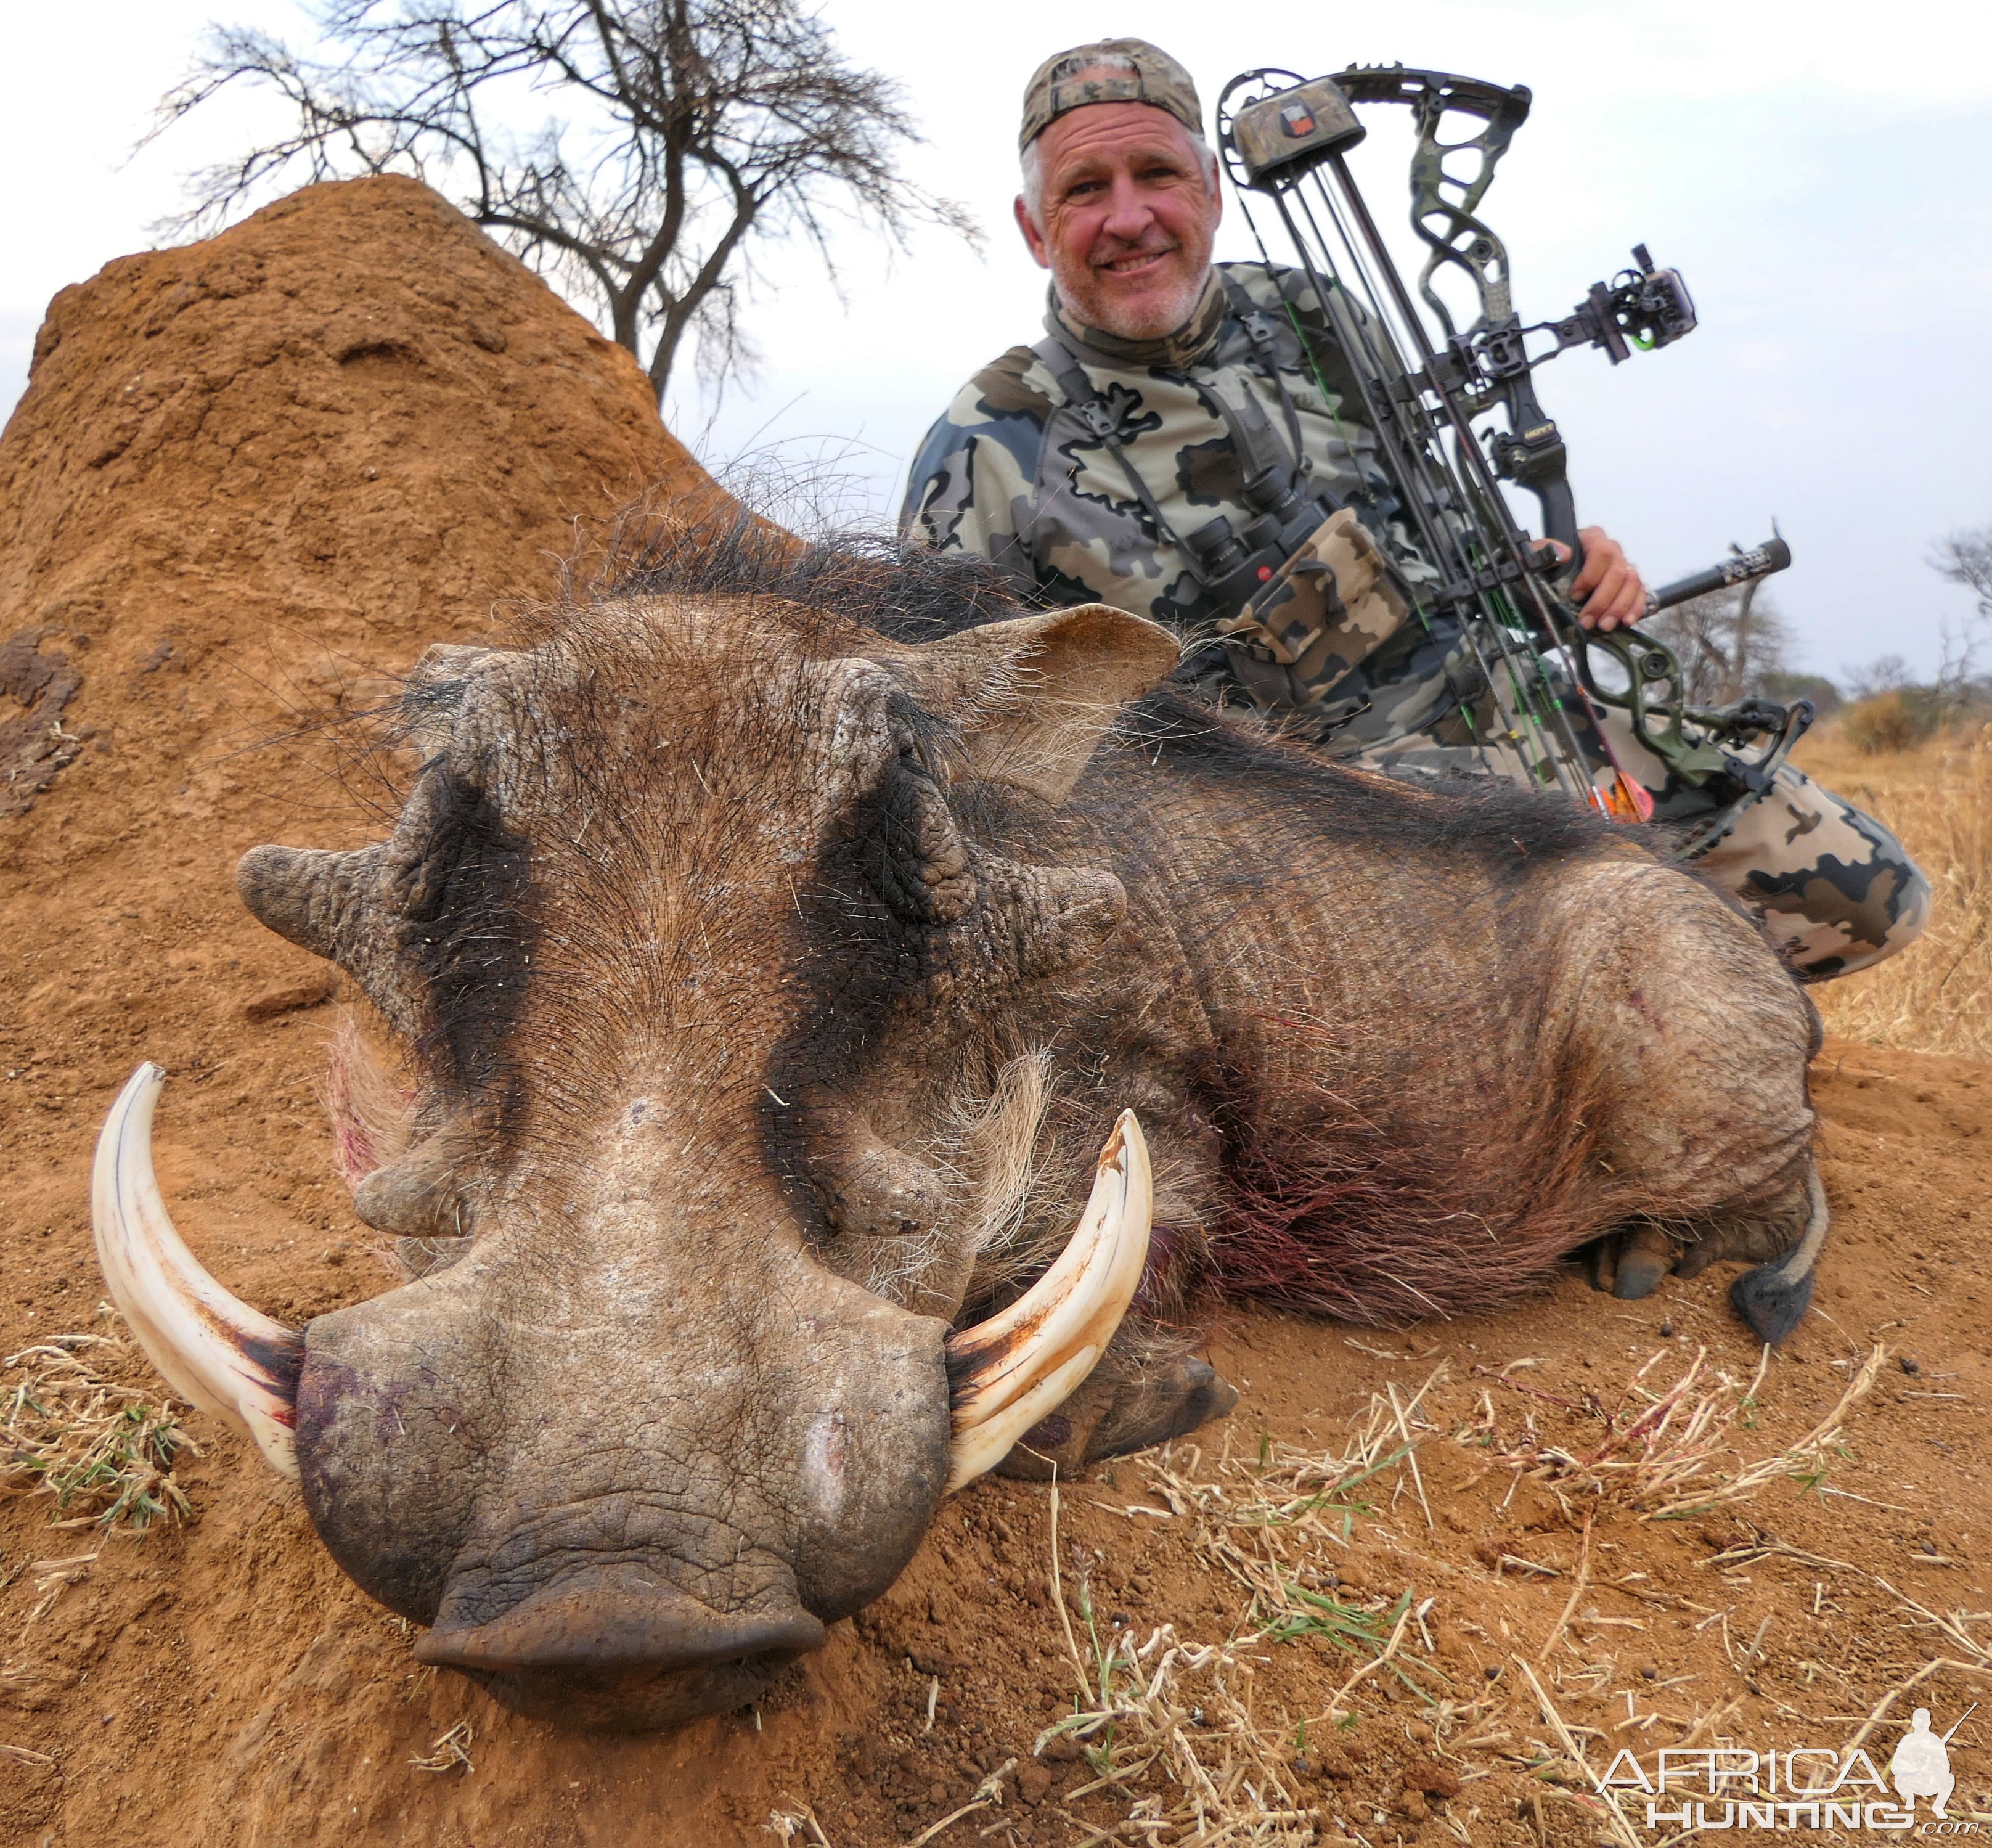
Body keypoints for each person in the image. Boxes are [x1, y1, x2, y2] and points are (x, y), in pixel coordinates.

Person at [900, 38, 1929, 981]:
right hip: (1294, 854)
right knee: (1557, 1001)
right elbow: (946, 761)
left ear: (1211, 192)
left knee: (1869, 897)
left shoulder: (1316, 314)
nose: (1129, 217)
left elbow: (1443, 524)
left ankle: (1674, 1023)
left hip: (1519, 723)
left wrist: (1560, 567)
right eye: (1087, 190)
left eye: (1158, 174)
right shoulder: (988, 441)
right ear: (1038, 229)